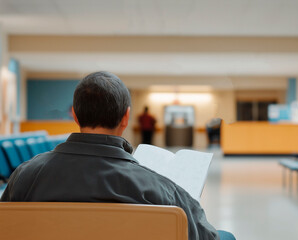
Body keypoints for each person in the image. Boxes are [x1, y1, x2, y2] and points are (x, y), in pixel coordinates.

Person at [1, 71, 235, 240]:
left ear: (75, 116)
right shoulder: (162, 190)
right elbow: (206, 236)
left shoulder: (25, 177)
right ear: (126, 117)